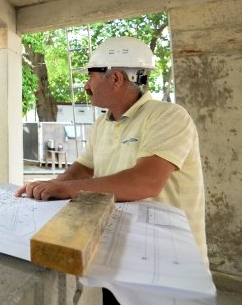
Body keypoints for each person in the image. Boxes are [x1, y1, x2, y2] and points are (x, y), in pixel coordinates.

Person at [15, 36, 208, 263]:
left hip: (170, 260)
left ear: (116, 78)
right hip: (118, 253)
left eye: (90, 77)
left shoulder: (168, 116)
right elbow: (82, 169)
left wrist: (65, 189)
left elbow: (146, 182)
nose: (87, 85)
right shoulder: (102, 123)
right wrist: (50, 187)